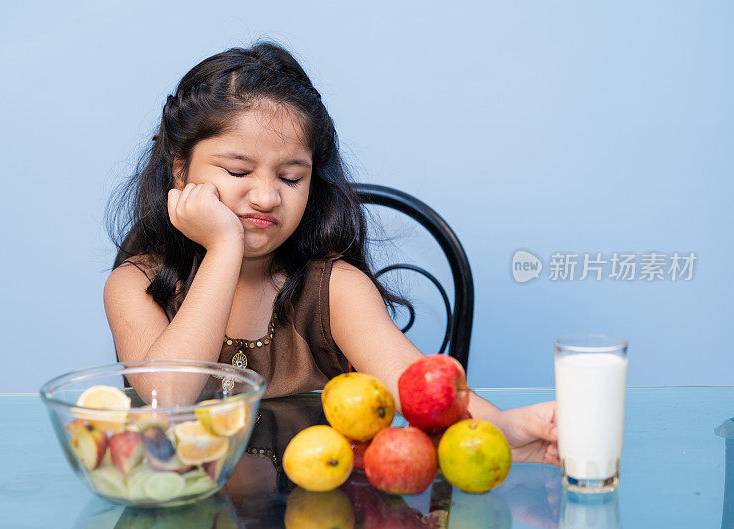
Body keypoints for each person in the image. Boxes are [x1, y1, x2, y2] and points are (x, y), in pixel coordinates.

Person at [103, 40, 559, 466]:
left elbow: (412, 382)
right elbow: (170, 394)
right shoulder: (136, 285)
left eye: (291, 178)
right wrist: (224, 247)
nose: (265, 196)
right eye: (239, 170)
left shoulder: (334, 289)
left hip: (318, 508)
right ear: (180, 169)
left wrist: (504, 428)